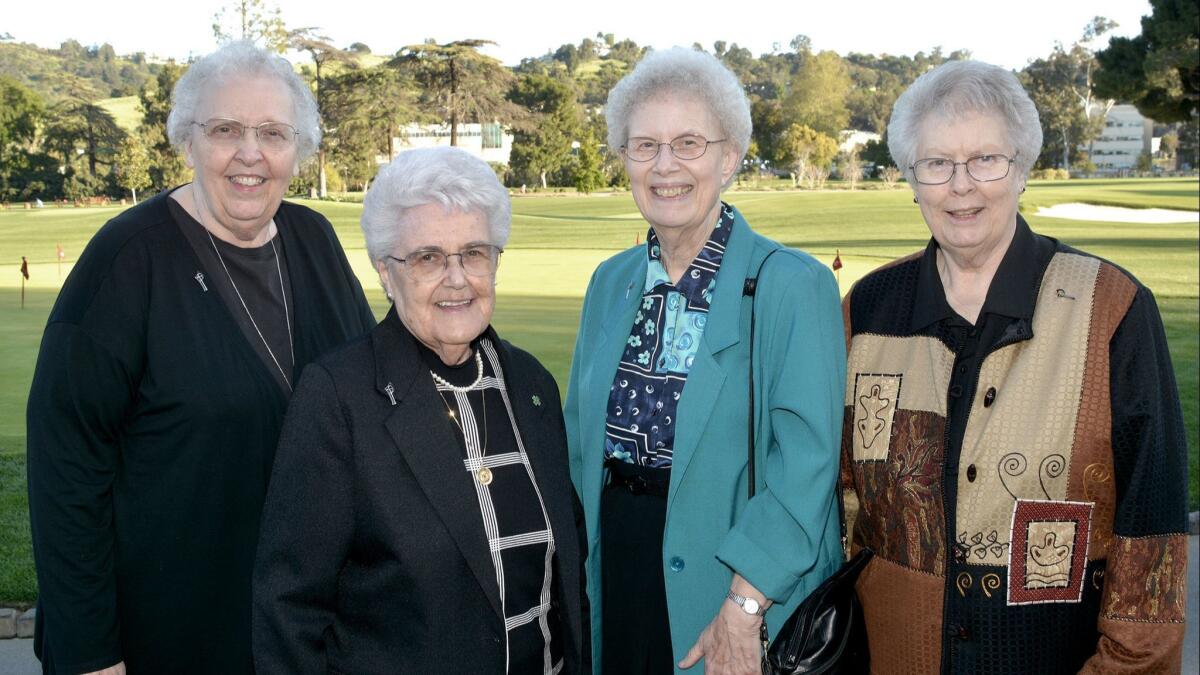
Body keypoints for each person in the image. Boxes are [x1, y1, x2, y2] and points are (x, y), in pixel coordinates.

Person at [25, 41, 375, 675]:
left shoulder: (315, 241)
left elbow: (370, 395)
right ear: (186, 141)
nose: (250, 153)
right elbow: (66, 472)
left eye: (273, 132)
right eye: (225, 130)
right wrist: (90, 654)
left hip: (302, 630)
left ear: (298, 149)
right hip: (166, 631)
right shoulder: (127, 260)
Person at [839, 60, 1189, 673]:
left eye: (985, 160)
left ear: (1022, 167)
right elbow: (833, 500)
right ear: (912, 179)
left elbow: (1151, 530)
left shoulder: (1112, 307)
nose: (961, 185)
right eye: (937, 163)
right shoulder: (866, 309)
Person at [252, 146, 589, 675]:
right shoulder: (339, 398)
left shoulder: (531, 386)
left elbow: (565, 576)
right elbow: (289, 606)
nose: (457, 278)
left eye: (474, 253)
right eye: (429, 257)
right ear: (387, 273)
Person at [564, 48, 846, 674]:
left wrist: (746, 605)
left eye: (688, 143)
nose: (665, 166)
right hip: (621, 569)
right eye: (644, 146)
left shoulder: (790, 286)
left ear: (730, 157)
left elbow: (807, 465)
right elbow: (578, 443)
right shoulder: (609, 283)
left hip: (737, 580)